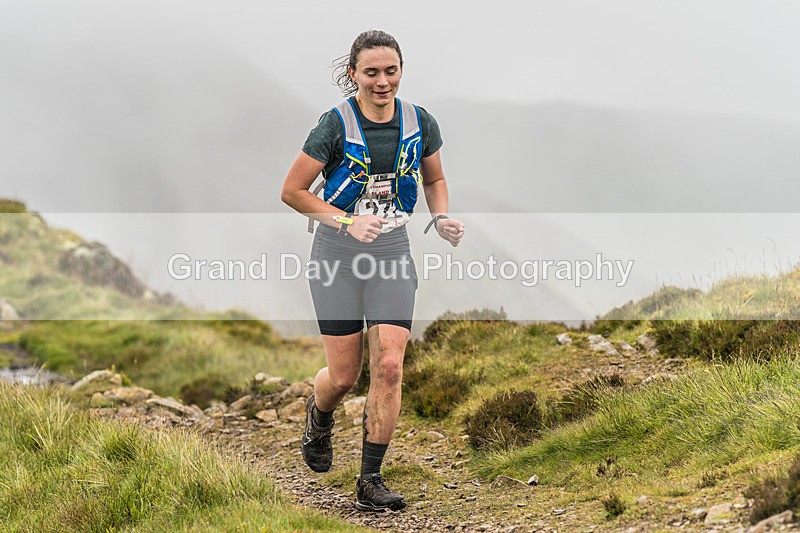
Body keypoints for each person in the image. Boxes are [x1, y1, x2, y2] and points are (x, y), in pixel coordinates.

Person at [280, 29, 465, 512]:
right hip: (336, 257)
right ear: (353, 74)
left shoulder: (420, 121)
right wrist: (346, 220)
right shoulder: (334, 126)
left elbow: (435, 177)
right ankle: (319, 418)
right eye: (371, 73)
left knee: (388, 364)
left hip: (392, 252)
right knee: (343, 376)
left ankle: (370, 478)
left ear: (401, 71)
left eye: (391, 71)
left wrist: (440, 215)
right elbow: (293, 192)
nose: (382, 82)